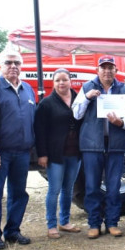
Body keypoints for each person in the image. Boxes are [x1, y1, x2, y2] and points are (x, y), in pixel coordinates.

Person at [72, 56, 125, 239]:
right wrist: (87, 97)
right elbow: (76, 113)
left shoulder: (123, 89)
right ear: (97, 70)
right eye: (104, 68)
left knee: (114, 186)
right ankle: (94, 223)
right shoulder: (87, 88)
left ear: (115, 70)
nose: (107, 71)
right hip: (92, 145)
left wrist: (120, 122)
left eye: (111, 68)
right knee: (92, 186)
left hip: (116, 144)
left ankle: (112, 223)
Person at [0, 48, 36, 250]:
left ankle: (12, 231)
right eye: (8, 63)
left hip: (22, 153)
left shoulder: (28, 89)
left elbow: (32, 120)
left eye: (17, 63)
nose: (13, 66)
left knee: (19, 193)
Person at [34, 68, 82, 239]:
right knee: (54, 190)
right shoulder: (46, 104)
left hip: (75, 153)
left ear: (70, 81)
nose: (61, 83)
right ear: (53, 83)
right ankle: (51, 225)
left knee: (68, 189)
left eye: (64, 80)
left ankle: (65, 221)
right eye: (57, 80)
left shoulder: (79, 99)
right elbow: (40, 131)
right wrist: (42, 154)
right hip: (55, 154)